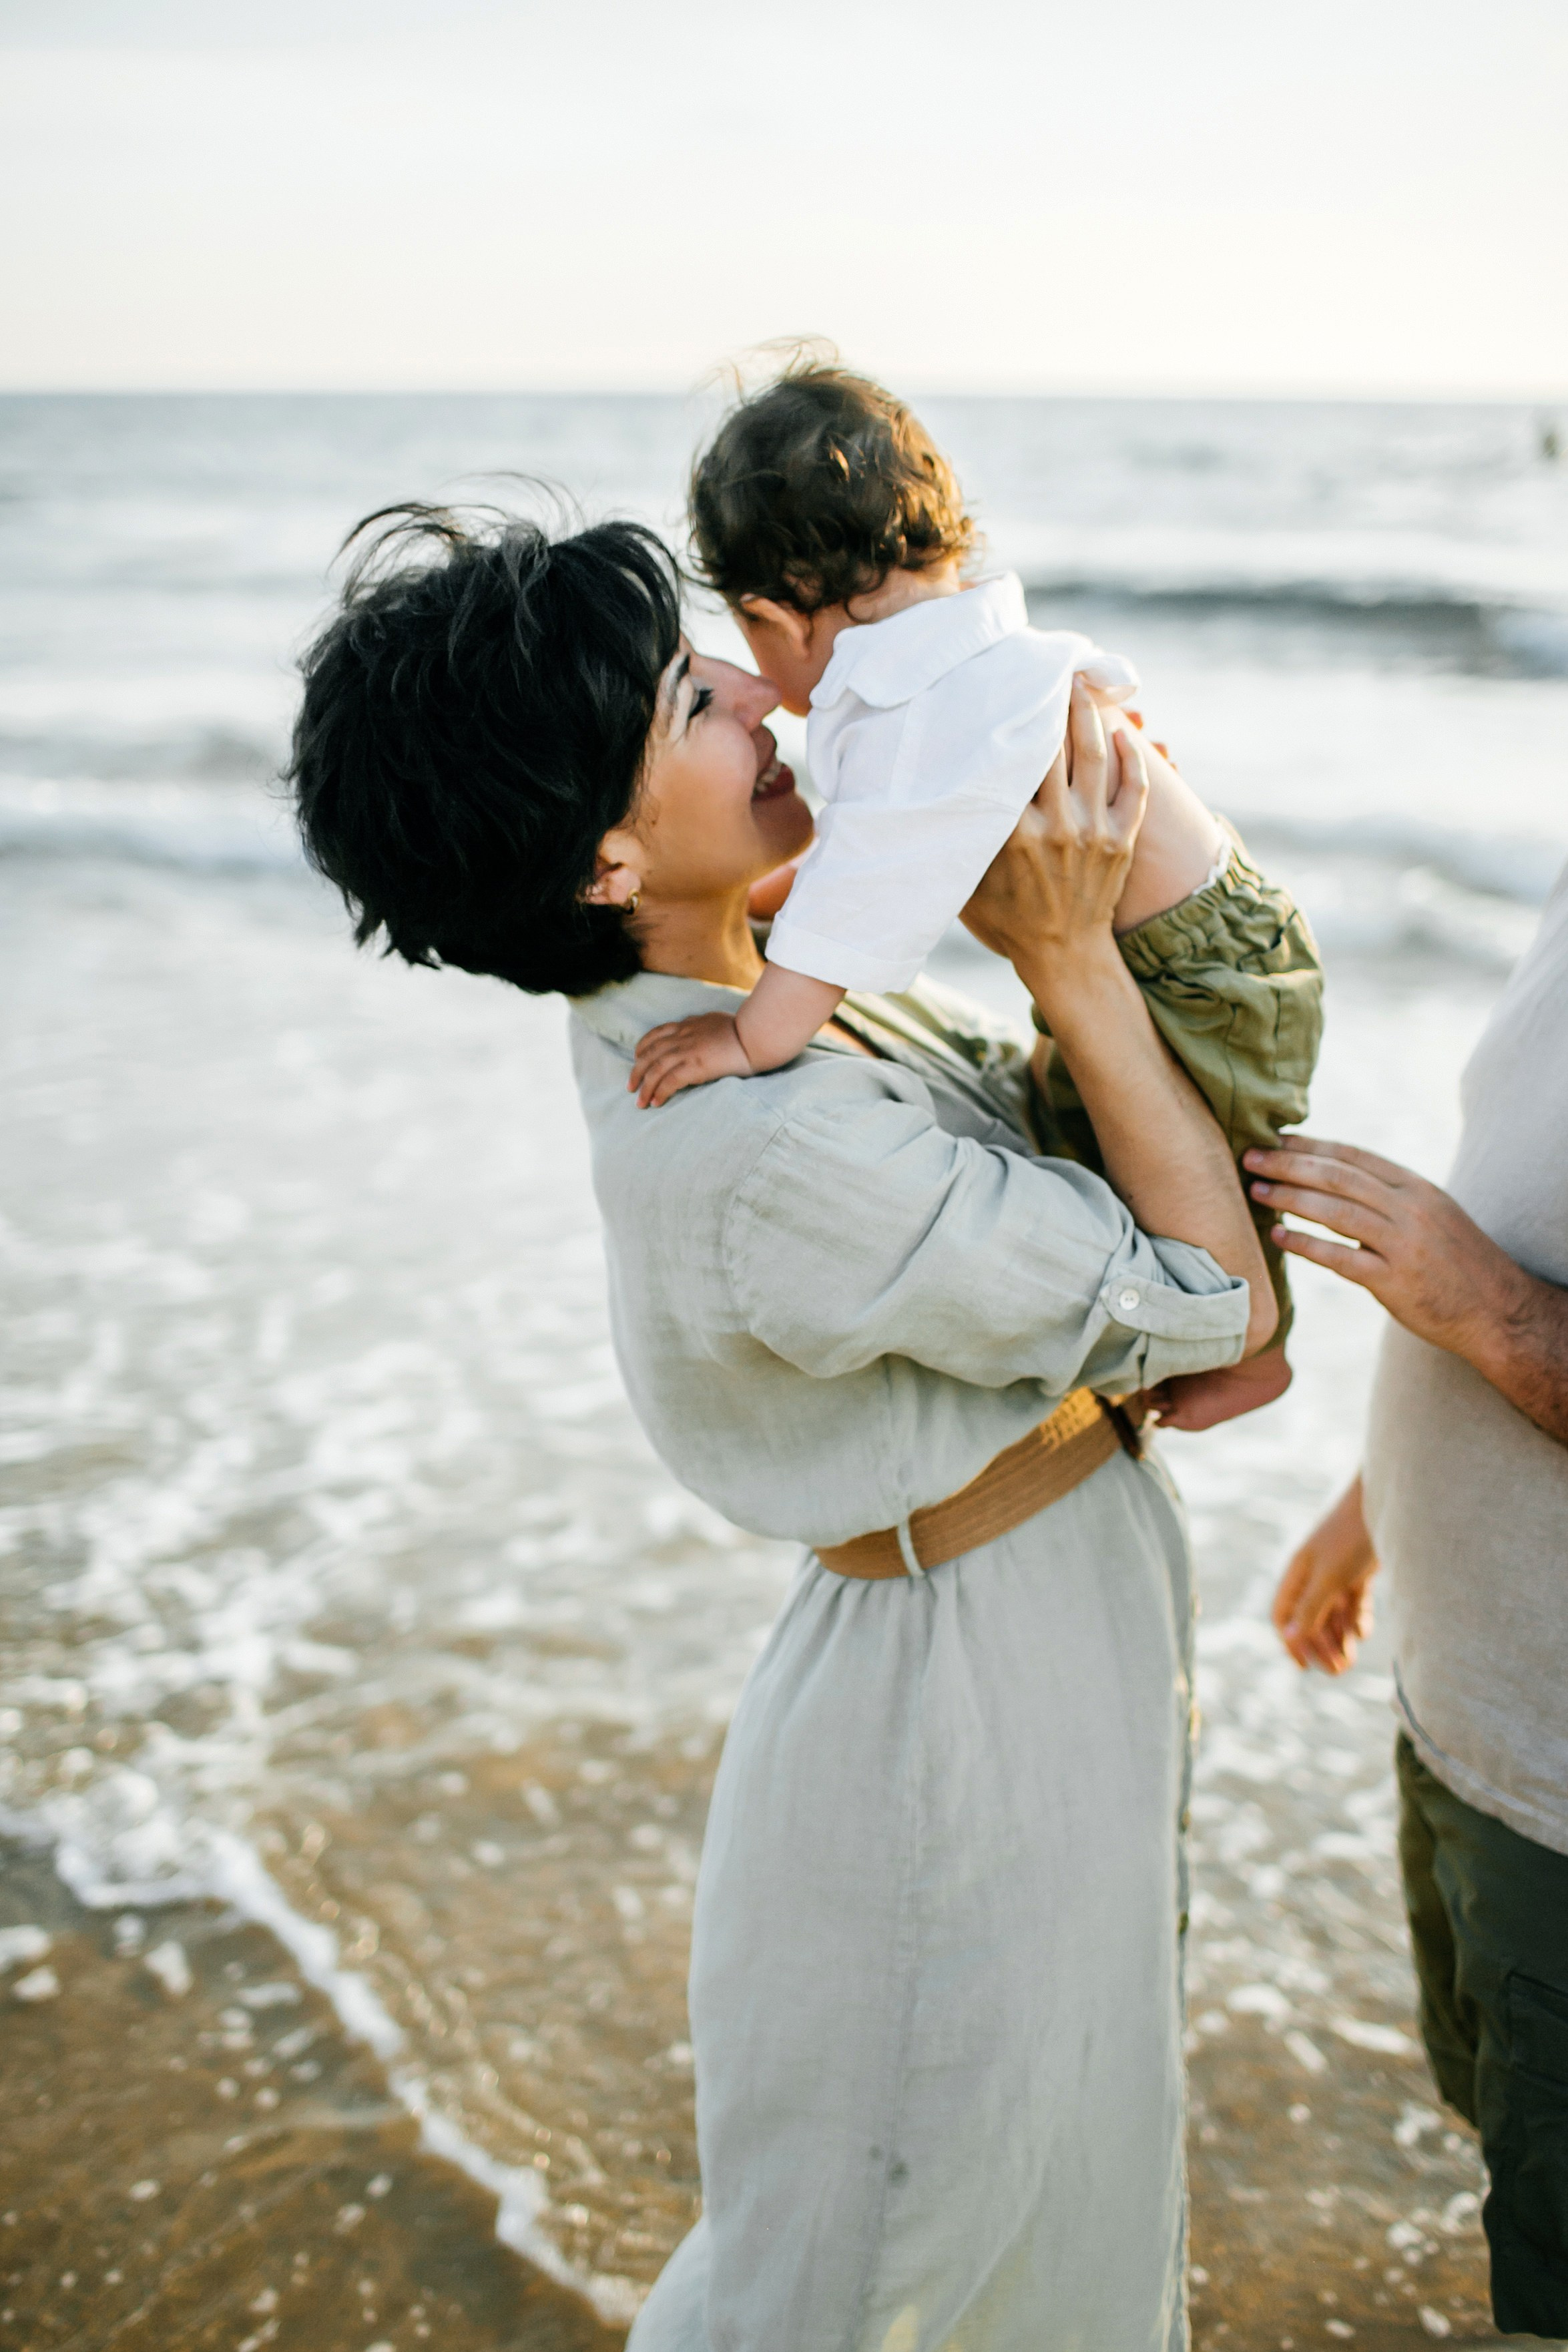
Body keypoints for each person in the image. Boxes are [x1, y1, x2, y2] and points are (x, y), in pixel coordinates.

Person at [290, 503, 1278, 2351]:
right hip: (953, 1717)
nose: (764, 689)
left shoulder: (770, 1010)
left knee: (1038, 2219)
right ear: (602, 850)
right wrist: (1063, 957)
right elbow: (1214, 1303)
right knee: (883, 2259)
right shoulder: (755, 1136)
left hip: (1005, 1641)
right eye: (688, 692)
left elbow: (1148, 1205)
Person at [631, 361, 1324, 1433]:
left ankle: (1253, 1352)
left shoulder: (899, 704)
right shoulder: (958, 645)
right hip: (1201, 923)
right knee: (1087, 1117)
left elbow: (866, 884)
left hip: (1198, 960)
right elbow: (876, 863)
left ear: (775, 613)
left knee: (1212, 1143)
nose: (764, 684)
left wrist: (750, 1041)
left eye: (750, 636)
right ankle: (1202, 1338)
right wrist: (776, 900)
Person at [1254, 860, 1568, 2341]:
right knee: (1504, 2144)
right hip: (1461, 1717)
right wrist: (1371, 1499)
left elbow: (1498, 1281)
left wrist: (1487, 1313)